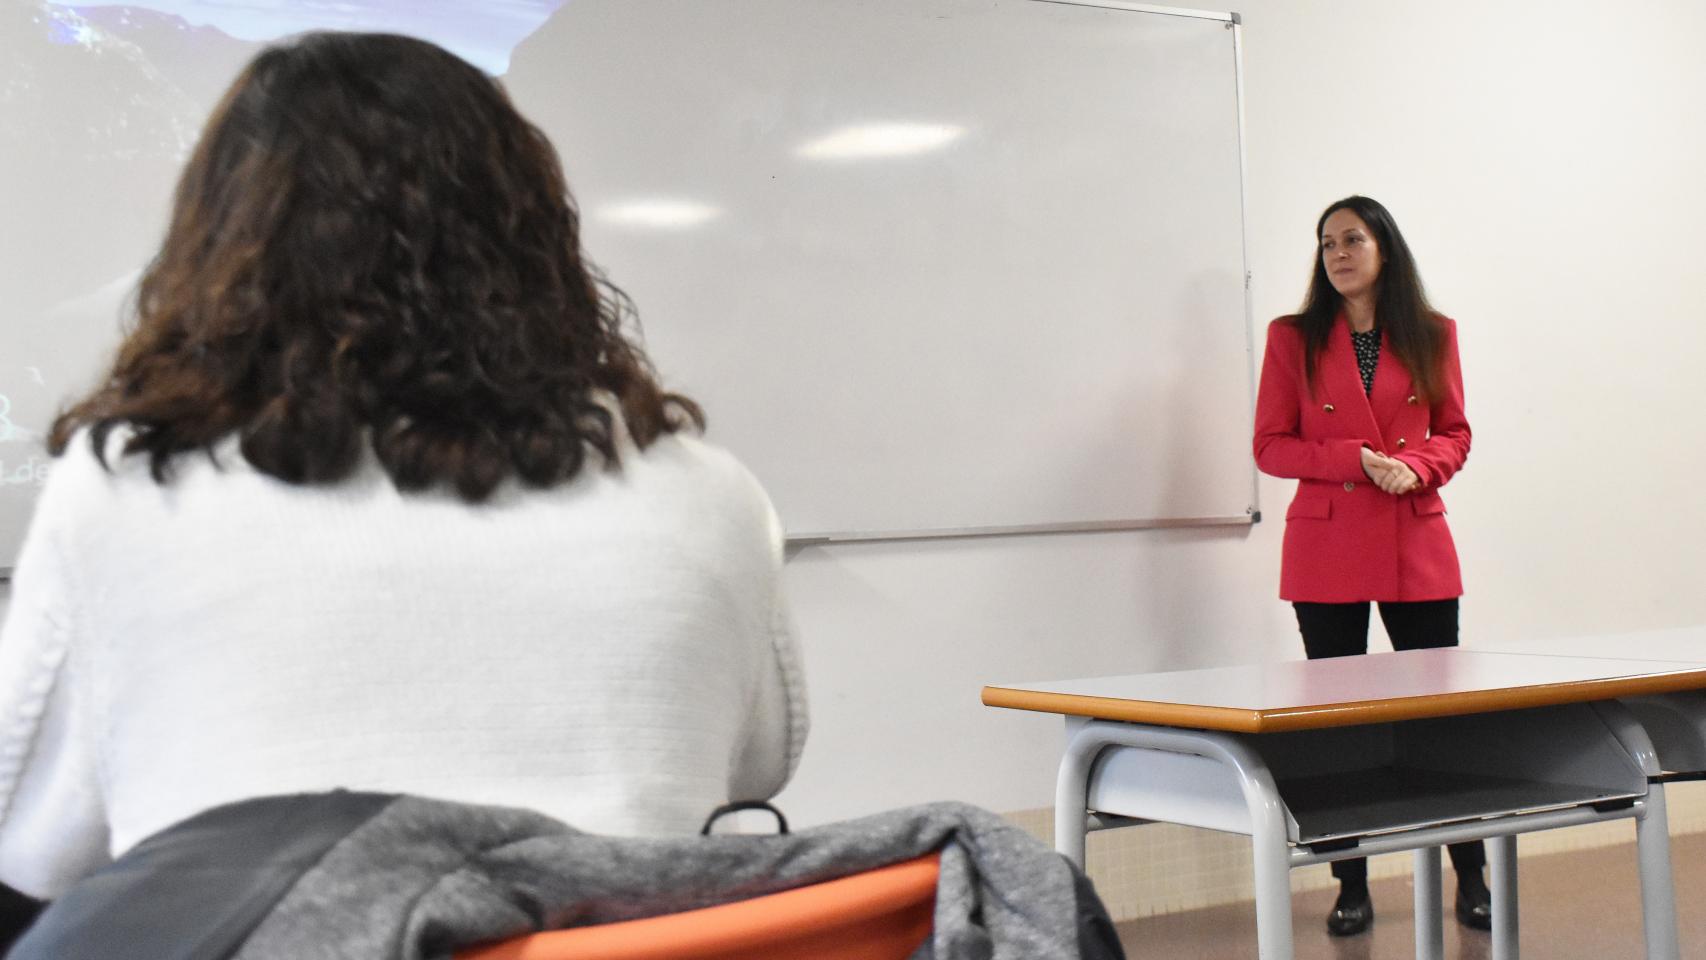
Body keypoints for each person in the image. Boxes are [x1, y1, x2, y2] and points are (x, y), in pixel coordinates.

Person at [0, 31, 807, 909]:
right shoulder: (709, 497)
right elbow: (758, 761)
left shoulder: (127, 490)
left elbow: (34, 850)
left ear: (226, 239)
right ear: (532, 232)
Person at [1252, 195, 1481, 937]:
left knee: (1441, 720)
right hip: (1327, 544)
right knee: (1338, 727)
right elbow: (1270, 446)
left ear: (1385, 246)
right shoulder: (1292, 337)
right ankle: (1350, 882)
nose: (1338, 253)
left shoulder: (1433, 332)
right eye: (1326, 243)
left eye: (1352, 238)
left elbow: (1454, 432)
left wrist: (1415, 467)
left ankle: (1472, 875)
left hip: (1413, 537)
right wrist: (1351, 459)